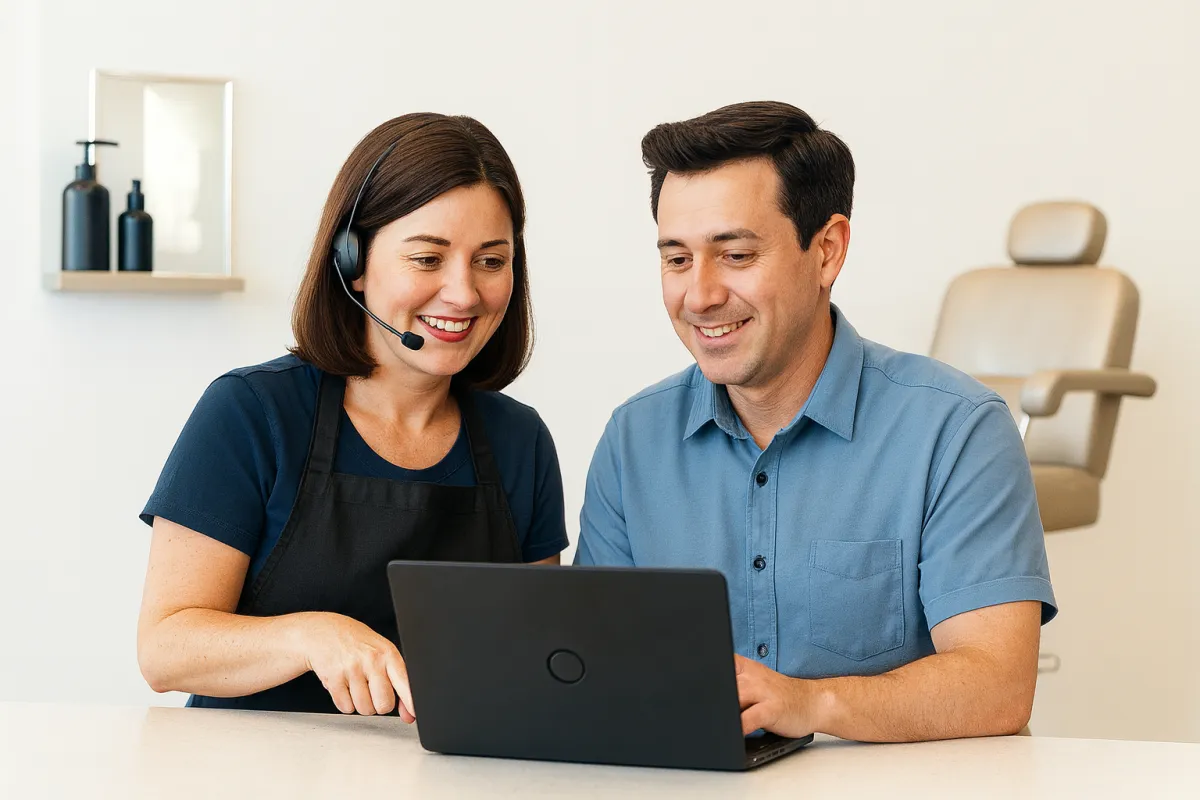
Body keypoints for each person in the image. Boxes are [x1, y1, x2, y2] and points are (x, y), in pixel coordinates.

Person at [575, 101, 1057, 742]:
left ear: (826, 251)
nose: (700, 295)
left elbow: (996, 688)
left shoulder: (957, 431)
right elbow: (588, 671)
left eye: (737, 255)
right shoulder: (633, 441)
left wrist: (810, 705)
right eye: (677, 259)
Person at [136, 113, 568, 717]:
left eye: (491, 261)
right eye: (427, 259)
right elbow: (165, 649)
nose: (465, 293)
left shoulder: (519, 440)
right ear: (352, 262)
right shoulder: (252, 413)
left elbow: (538, 651)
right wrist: (310, 636)